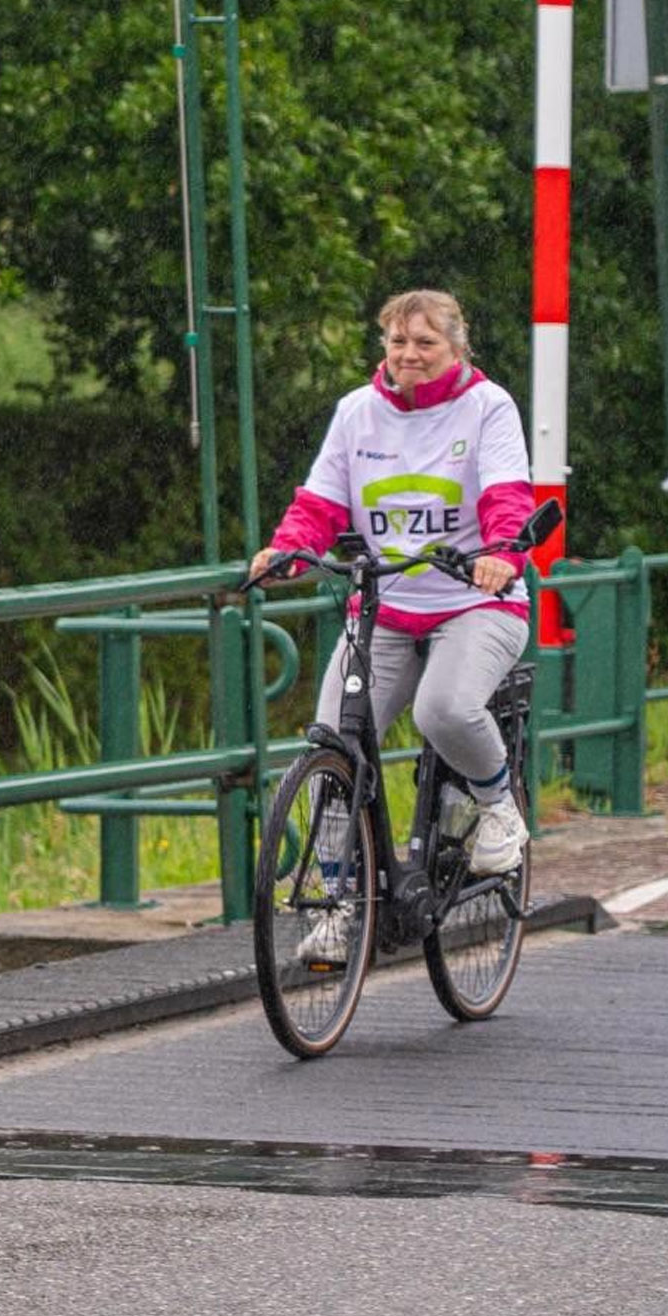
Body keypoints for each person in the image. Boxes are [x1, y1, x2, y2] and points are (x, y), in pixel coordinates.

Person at [250, 289, 531, 959]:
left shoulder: (488, 408)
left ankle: (499, 808)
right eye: (397, 342)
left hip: (475, 602)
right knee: (331, 747)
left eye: (426, 343)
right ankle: (341, 908)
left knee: (446, 708)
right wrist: (287, 548)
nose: (409, 355)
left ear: (457, 348)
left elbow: (506, 497)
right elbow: (318, 500)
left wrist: (499, 554)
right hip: (384, 607)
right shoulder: (357, 413)